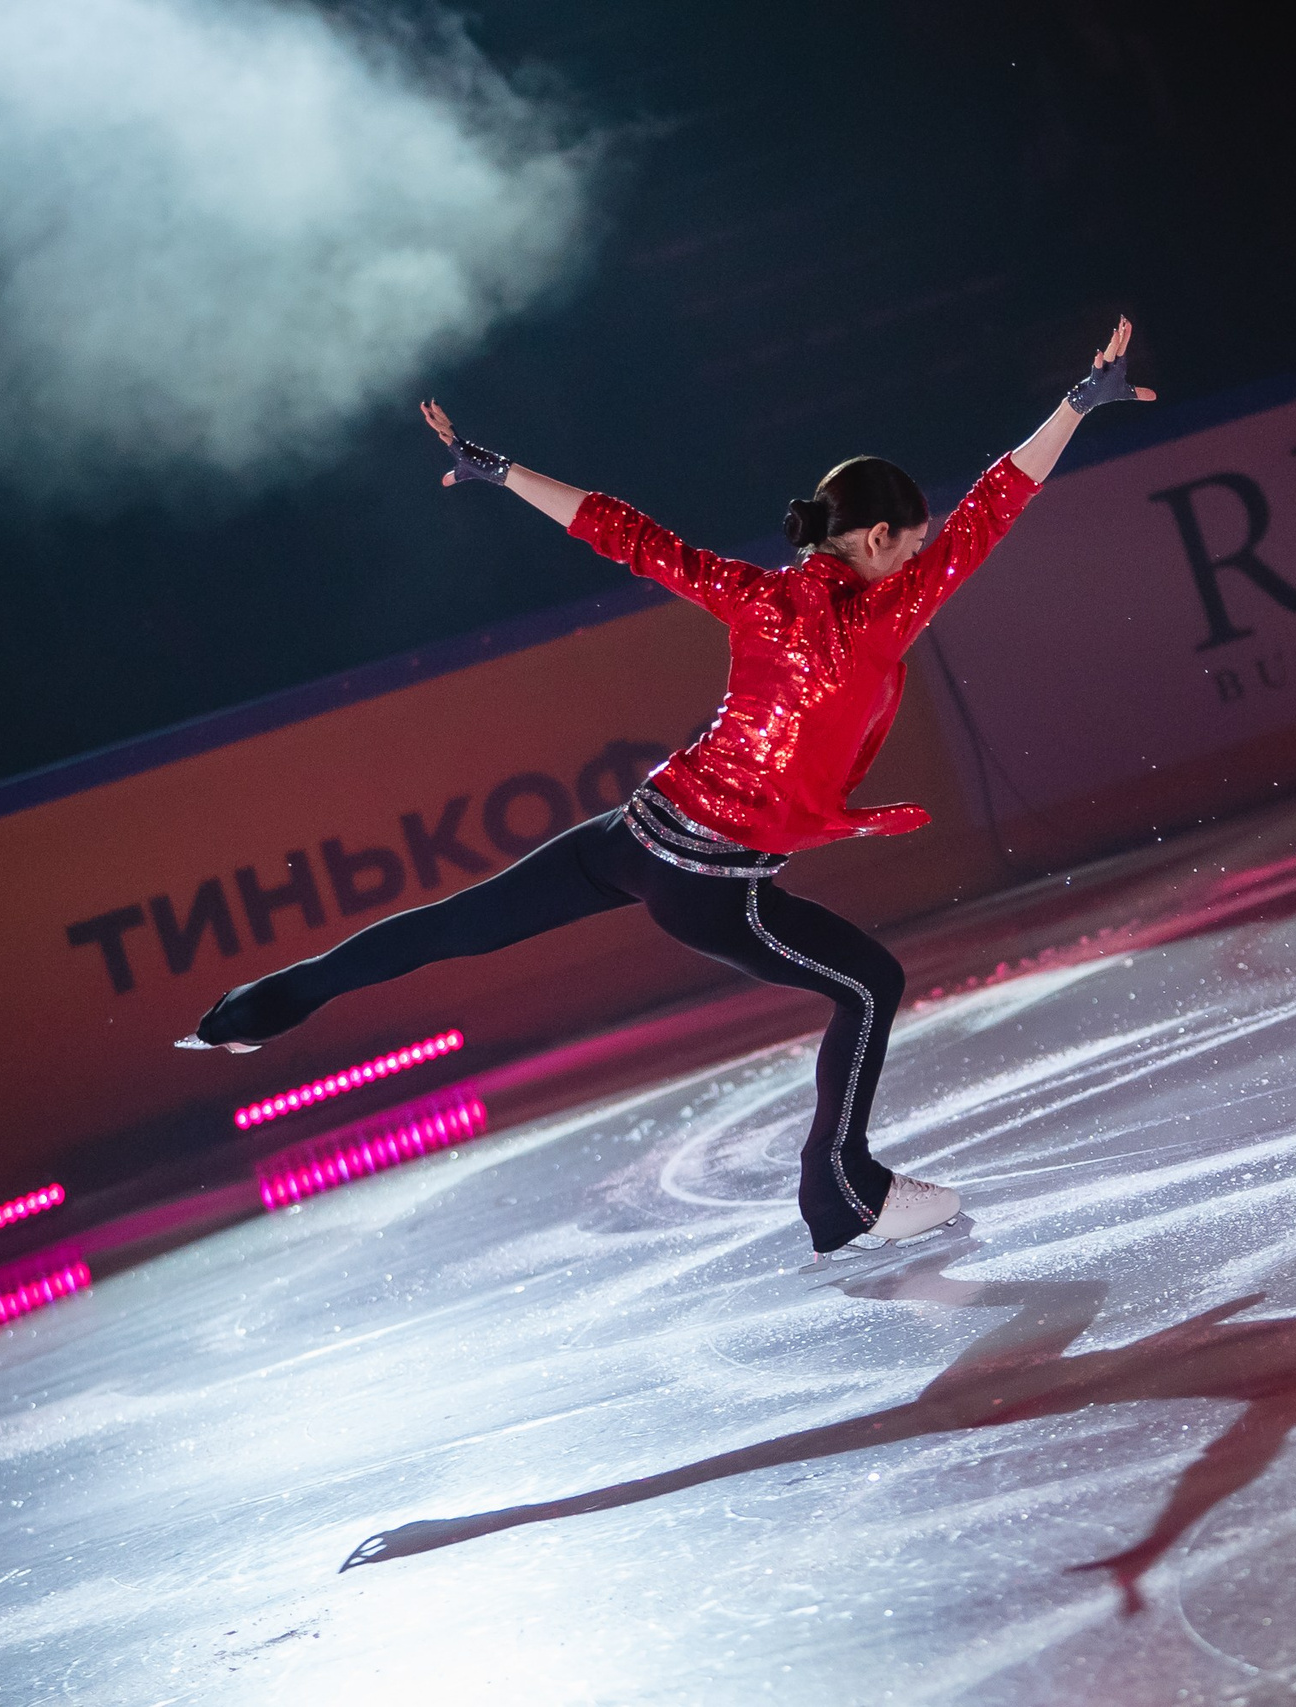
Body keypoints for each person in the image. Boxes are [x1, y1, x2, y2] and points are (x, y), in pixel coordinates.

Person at [179, 318, 1156, 1256]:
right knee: (871, 984)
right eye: (910, 543)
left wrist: (500, 469)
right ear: (874, 538)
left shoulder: (757, 593)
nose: (917, 558)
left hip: (635, 835)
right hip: (708, 880)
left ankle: (257, 1008)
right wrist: (1076, 405)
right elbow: (994, 507)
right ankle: (841, 1193)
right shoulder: (881, 616)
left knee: (454, 925)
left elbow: (627, 535)